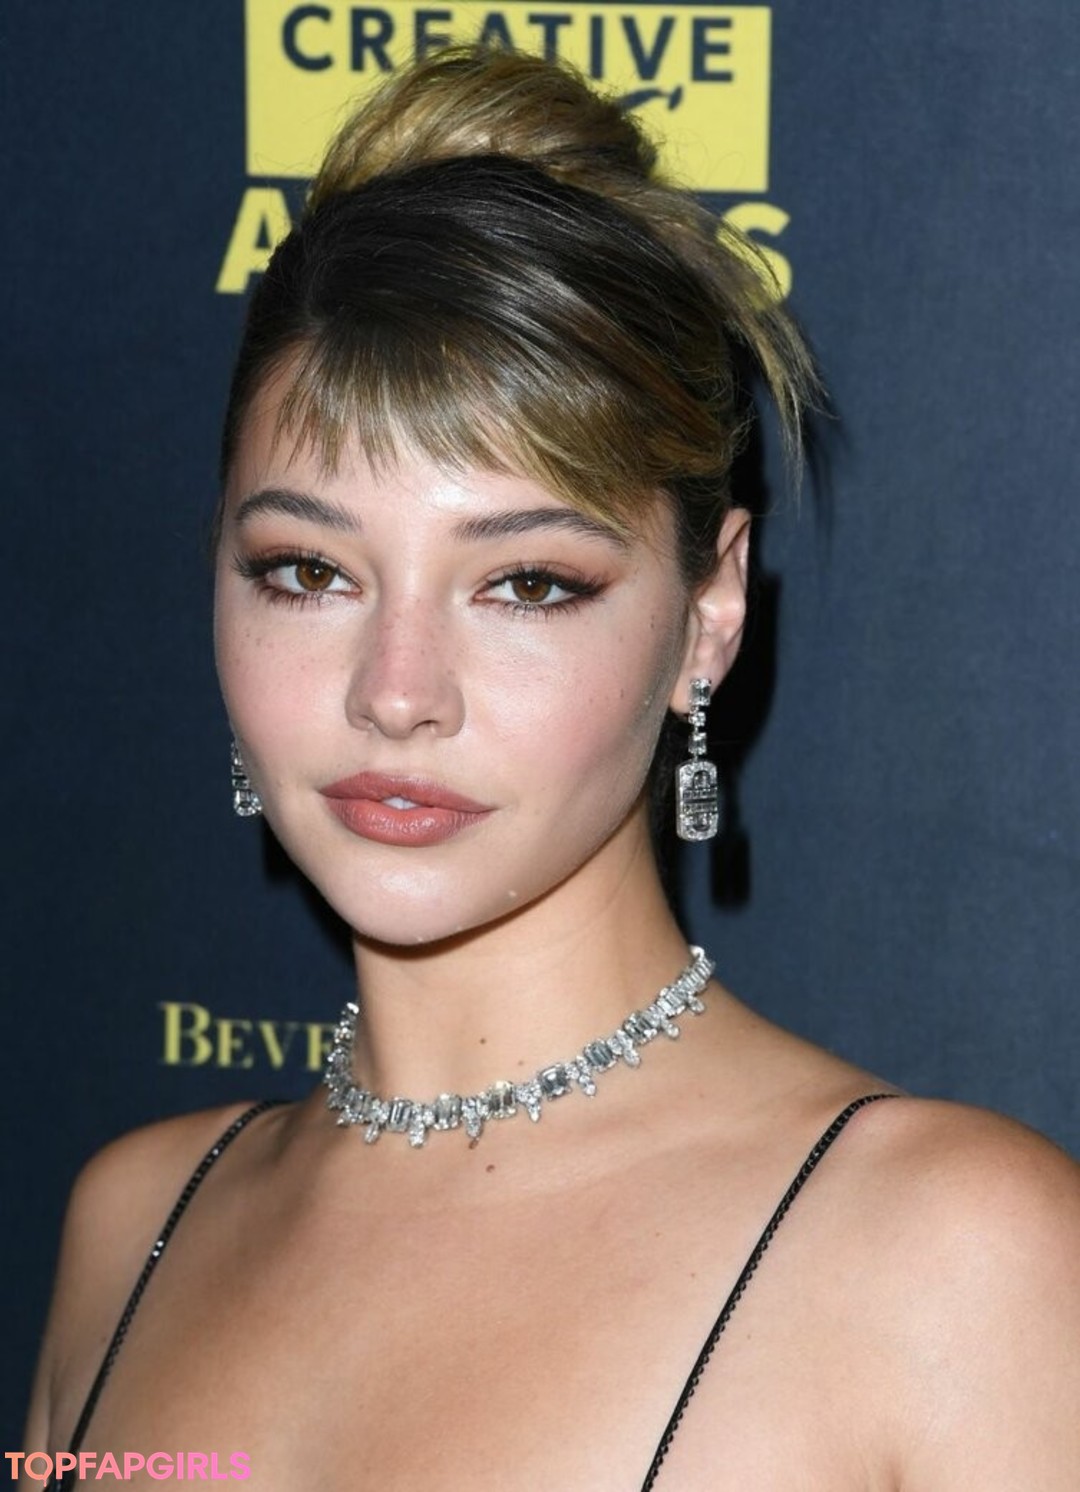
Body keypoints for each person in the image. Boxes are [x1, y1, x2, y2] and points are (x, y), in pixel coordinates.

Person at [23, 45, 1080, 1492]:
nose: (396, 693)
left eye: (526, 584)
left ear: (709, 611)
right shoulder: (135, 1222)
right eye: (308, 570)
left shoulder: (958, 1259)